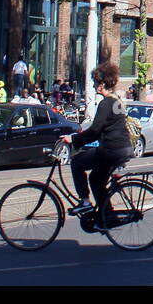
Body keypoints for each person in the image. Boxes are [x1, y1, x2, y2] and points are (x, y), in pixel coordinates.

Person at [59, 62, 132, 224]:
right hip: (123, 148)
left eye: (95, 82)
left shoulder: (105, 104)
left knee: (77, 162)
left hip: (111, 149)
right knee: (96, 180)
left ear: (102, 85)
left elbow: (95, 130)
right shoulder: (117, 100)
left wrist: (74, 139)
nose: (93, 85)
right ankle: (107, 216)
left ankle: (85, 202)